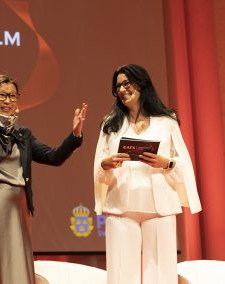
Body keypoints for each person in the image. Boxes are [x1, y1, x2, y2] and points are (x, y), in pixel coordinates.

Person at [0, 74, 88, 284]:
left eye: (12, 96)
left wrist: (75, 136)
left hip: (19, 211)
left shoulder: (22, 134)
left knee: (17, 266)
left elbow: (52, 157)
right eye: (2, 95)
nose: (8, 101)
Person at [93, 64, 201, 284]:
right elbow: (99, 166)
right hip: (121, 207)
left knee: (162, 274)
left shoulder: (167, 121)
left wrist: (167, 163)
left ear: (142, 84)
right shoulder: (111, 124)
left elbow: (182, 163)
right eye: (117, 87)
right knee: (121, 274)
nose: (122, 90)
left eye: (126, 83)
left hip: (159, 208)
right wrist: (106, 165)